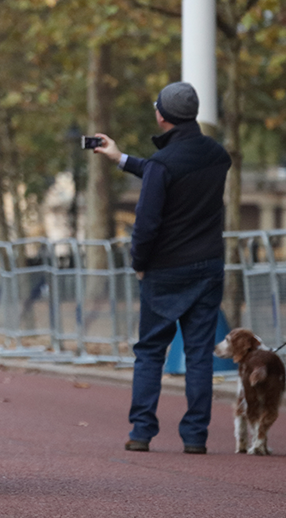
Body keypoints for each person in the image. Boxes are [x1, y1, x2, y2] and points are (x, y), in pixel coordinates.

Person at [92, 81, 230, 454]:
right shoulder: (218, 156)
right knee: (199, 354)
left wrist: (139, 263)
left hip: (166, 269)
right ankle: (195, 436)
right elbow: (170, 173)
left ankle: (142, 430)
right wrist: (121, 158)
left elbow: (147, 222)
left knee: (151, 351)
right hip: (208, 265)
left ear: (162, 115)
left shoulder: (163, 164)